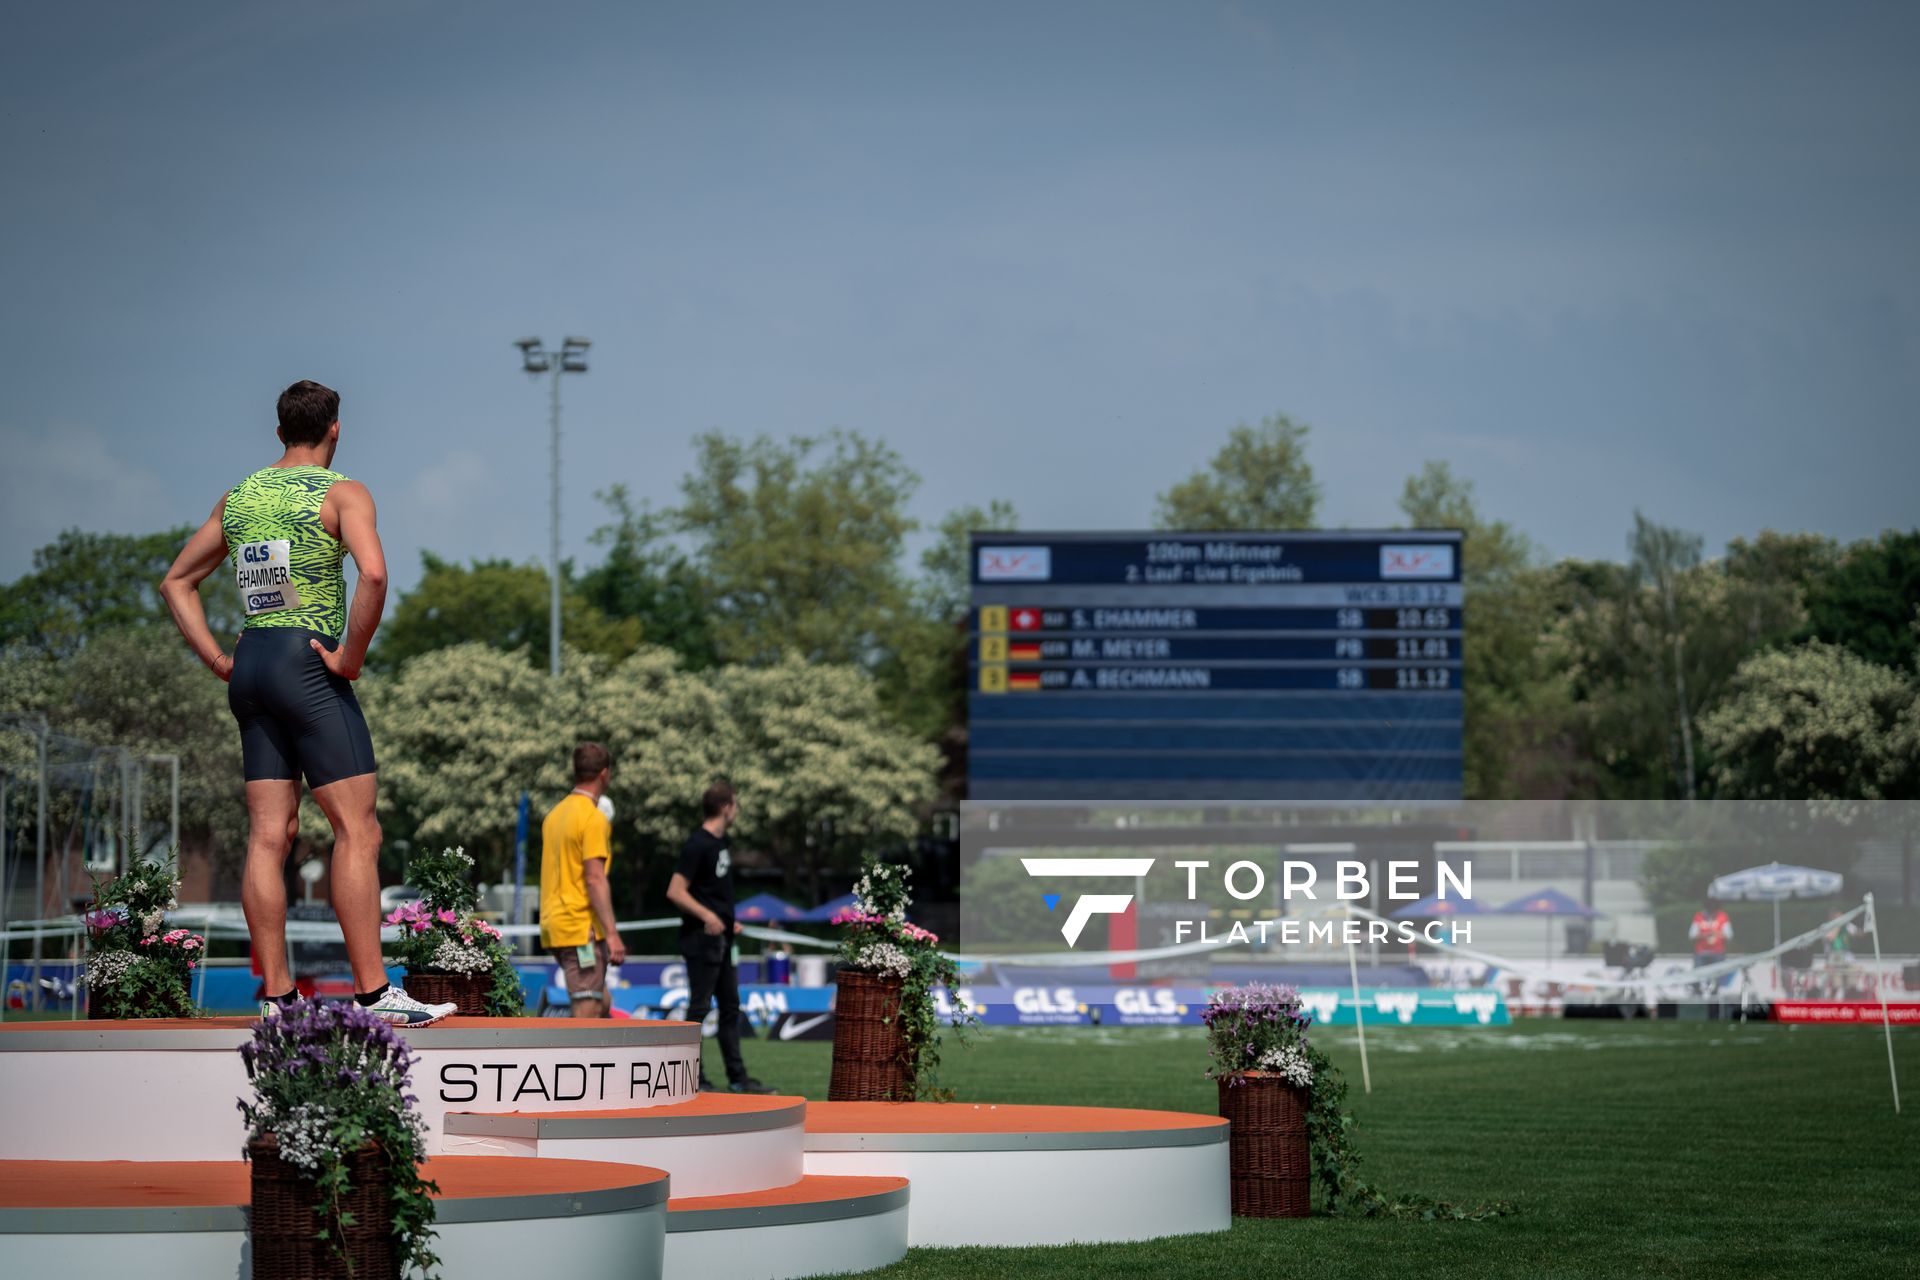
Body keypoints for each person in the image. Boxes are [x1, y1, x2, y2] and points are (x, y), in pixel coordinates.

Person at [159, 380, 454, 1026]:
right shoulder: (342, 492)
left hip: (252, 665)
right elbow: (373, 574)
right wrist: (351, 656)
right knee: (357, 829)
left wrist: (216, 659)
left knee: (270, 835)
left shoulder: (238, 498)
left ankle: (276, 997)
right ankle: (376, 993)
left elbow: (176, 581)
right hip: (309, 662)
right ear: (336, 429)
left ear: (278, 431)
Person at [666, 782, 774, 1093]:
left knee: (730, 1007)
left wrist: (727, 921)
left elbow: (712, 894)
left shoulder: (721, 844)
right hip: (701, 940)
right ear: (726, 807)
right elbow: (675, 891)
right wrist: (708, 917)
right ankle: (691, 1079)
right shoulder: (697, 844)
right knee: (699, 1008)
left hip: (722, 940)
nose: (737, 810)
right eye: (735, 804)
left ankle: (738, 1079)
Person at [538, 743, 627, 1017]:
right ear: (604, 774)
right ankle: (569, 1059)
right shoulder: (593, 818)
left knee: (602, 1002)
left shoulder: (554, 815)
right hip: (581, 930)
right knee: (586, 1012)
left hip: (555, 925)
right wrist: (612, 935)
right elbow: (594, 878)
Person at [1689, 899, 1733, 968]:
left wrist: (1716, 933)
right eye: (1710, 909)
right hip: (1701, 952)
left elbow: (1729, 935)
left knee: (1719, 976)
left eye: (1714, 910)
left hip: (1718, 952)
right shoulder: (1699, 916)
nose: (1712, 912)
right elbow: (1692, 935)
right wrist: (1705, 935)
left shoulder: (1723, 916)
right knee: (1699, 976)